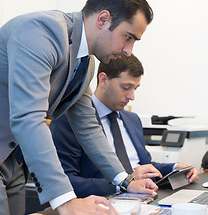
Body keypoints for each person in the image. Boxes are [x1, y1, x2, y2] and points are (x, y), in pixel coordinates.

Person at [0, 0, 158, 215]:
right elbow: (29, 118)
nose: (129, 50)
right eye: (128, 37)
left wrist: (125, 180)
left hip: (14, 161)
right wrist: (65, 200)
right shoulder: (41, 33)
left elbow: (88, 126)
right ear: (103, 19)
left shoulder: (85, 64)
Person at [49, 54, 199, 198]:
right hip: (102, 203)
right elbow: (66, 182)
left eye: (135, 89)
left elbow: (145, 166)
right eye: (126, 87)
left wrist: (176, 168)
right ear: (103, 80)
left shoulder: (132, 119)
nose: (132, 96)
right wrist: (125, 182)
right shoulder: (69, 119)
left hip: (142, 199)